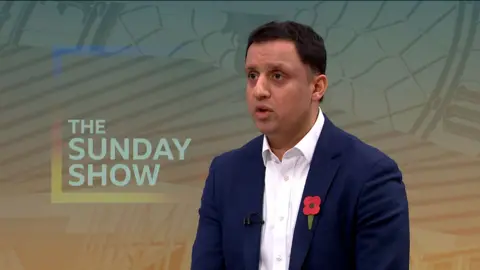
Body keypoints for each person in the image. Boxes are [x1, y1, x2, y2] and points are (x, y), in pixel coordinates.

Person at [191, 20, 410, 270]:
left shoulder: (370, 175)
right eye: (252, 75)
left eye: (277, 76)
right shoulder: (225, 174)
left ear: (317, 87)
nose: (259, 90)